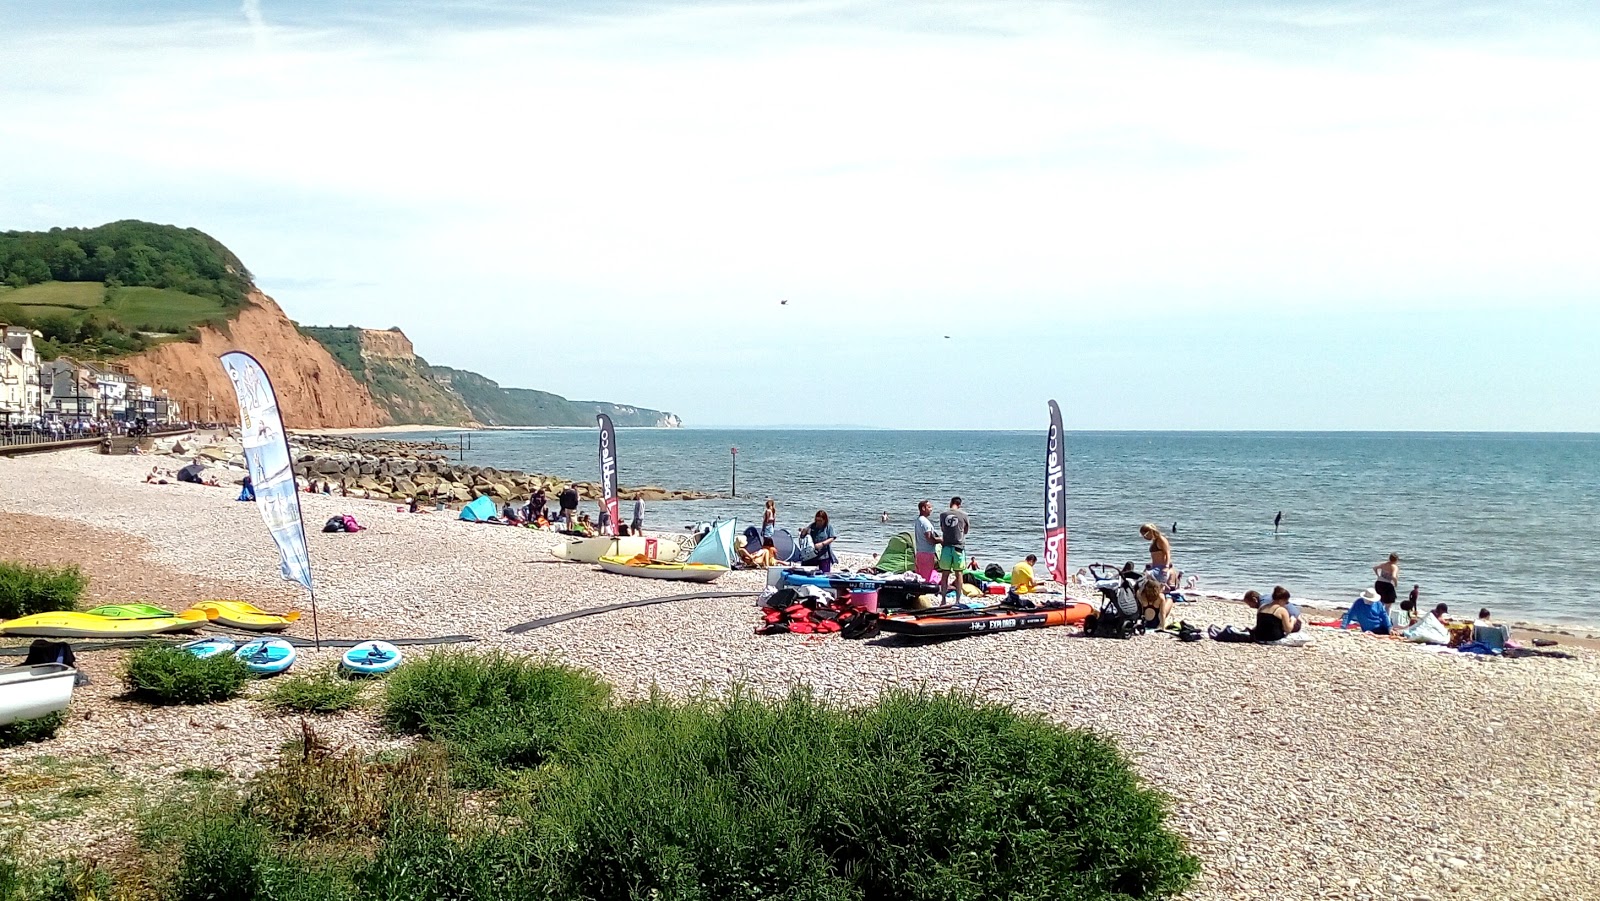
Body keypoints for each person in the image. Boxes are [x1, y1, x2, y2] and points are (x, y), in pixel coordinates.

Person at [937, 497, 970, 597]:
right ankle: (958, 599)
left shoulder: (943, 515)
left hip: (946, 546)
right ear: (959, 505)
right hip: (958, 547)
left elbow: (943, 529)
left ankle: (943, 599)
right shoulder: (964, 515)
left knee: (945, 574)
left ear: (950, 503)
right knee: (959, 573)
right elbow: (966, 531)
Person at [913, 500, 940, 582]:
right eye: (929, 507)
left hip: (920, 552)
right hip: (927, 553)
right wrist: (941, 540)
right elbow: (929, 538)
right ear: (923, 508)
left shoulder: (919, 520)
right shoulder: (924, 522)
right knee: (925, 577)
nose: (931, 509)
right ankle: (923, 593)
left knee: (921, 575)